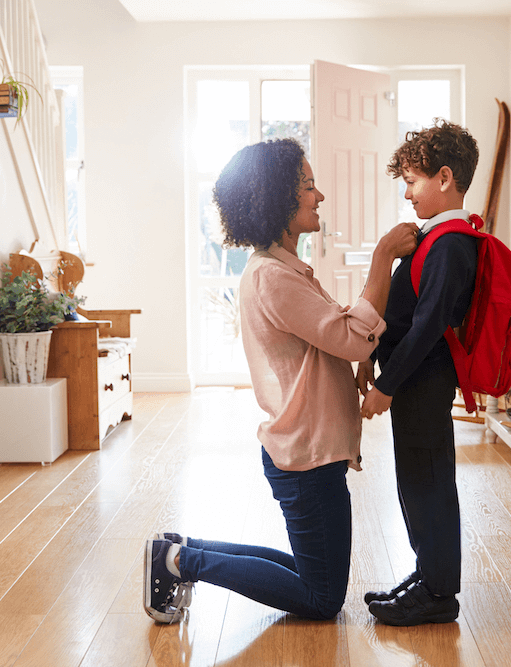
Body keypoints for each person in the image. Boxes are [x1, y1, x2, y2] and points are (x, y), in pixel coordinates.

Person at [143, 138, 419, 624]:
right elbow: (352, 337)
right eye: (309, 187)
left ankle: (179, 549)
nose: (320, 196)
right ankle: (182, 562)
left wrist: (354, 354)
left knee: (313, 574)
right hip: (307, 458)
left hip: (307, 452)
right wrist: (383, 258)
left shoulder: (283, 270)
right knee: (321, 597)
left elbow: (333, 338)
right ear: (278, 202)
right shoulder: (274, 277)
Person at [357, 119, 480, 626]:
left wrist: (387, 385)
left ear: (444, 178)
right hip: (414, 382)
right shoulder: (435, 237)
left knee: (428, 482)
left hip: (423, 382)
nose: (406, 193)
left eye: (412, 181)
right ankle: (428, 574)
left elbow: (429, 325)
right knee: (415, 480)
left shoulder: (452, 243)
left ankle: (439, 593)